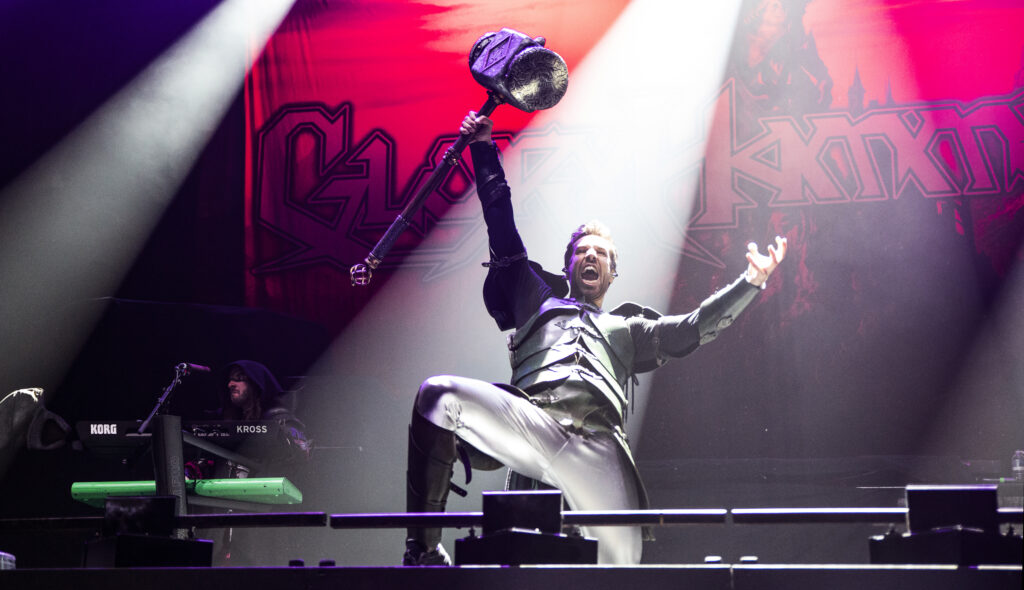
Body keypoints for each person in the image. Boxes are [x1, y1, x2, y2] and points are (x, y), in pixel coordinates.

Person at [402, 111, 787, 566]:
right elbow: (502, 228)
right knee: (437, 395)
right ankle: (423, 550)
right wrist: (484, 147)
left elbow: (693, 328)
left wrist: (750, 282)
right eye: (582, 250)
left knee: (623, 561)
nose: (591, 256)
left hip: (598, 443)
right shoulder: (536, 301)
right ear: (568, 265)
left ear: (612, 271)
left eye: (601, 253)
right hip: (534, 426)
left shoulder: (627, 328)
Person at [185, 360, 312, 480]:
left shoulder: (279, 419)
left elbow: (298, 459)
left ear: (256, 383)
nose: (230, 384)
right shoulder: (226, 421)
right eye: (229, 380)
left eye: (239, 378)